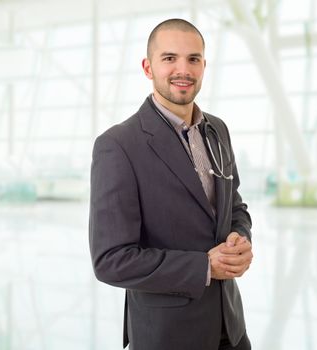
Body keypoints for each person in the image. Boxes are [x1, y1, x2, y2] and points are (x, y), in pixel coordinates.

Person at [89, 18, 253, 350]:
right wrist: (205, 267)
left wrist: (240, 239)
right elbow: (110, 260)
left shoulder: (217, 130)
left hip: (230, 328)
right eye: (169, 59)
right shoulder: (119, 144)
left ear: (204, 65)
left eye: (193, 59)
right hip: (167, 336)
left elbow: (234, 206)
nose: (184, 69)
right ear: (148, 67)